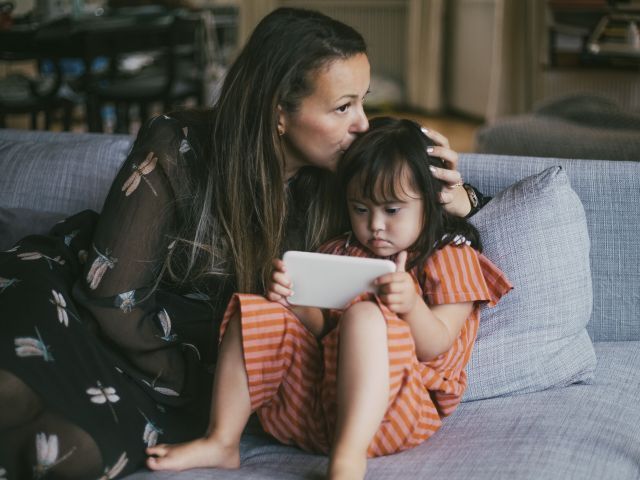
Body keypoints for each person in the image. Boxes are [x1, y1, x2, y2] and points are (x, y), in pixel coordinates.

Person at [0, 9, 478, 480]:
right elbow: (110, 298)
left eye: (362, 103)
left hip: (188, 361)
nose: (362, 125)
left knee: (63, 453)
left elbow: (412, 209)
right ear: (280, 114)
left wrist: (462, 196)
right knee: (9, 386)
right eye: (342, 107)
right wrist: (212, 387)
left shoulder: (344, 179)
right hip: (88, 305)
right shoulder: (177, 145)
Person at [145, 117, 512, 479]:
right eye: (361, 209)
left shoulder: (449, 256)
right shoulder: (344, 252)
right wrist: (293, 305)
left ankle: (348, 461)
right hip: (319, 409)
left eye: (392, 210)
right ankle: (222, 440)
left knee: (367, 317)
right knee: (255, 309)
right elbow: (322, 334)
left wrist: (412, 307)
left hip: (396, 409)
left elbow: (438, 344)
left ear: (431, 202)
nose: (376, 226)